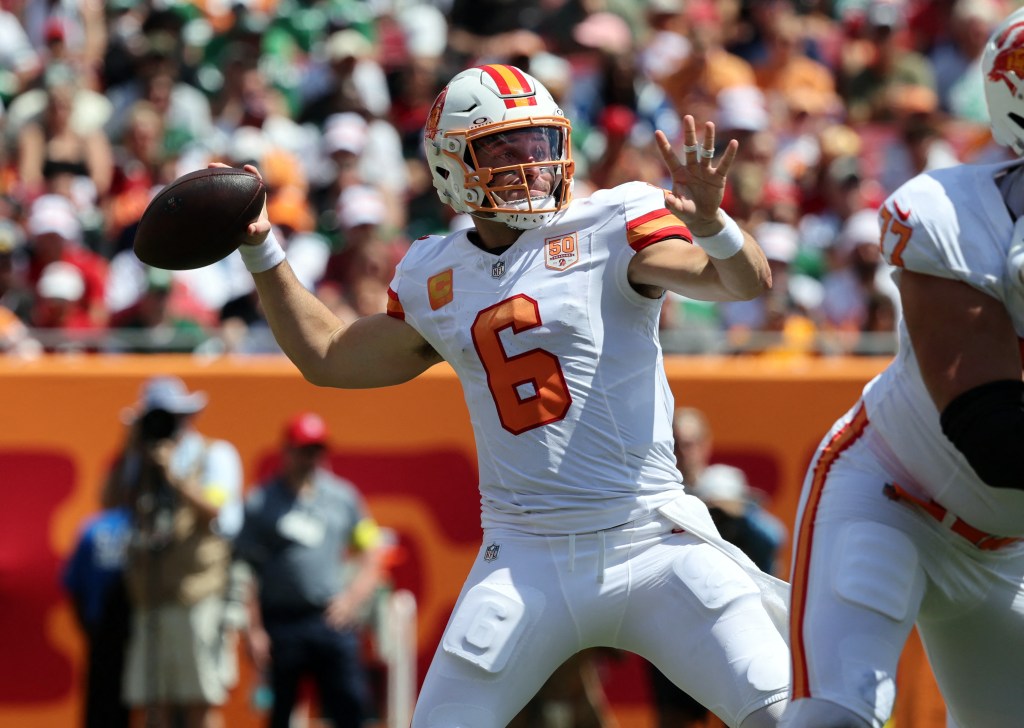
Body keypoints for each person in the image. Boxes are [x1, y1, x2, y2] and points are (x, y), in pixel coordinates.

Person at [228, 64, 790, 727]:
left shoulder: (613, 220)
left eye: (539, 143)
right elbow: (329, 357)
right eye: (504, 147)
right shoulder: (435, 273)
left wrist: (717, 225)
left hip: (652, 538)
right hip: (527, 556)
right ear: (449, 164)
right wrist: (263, 250)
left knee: (792, 716)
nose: (531, 163)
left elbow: (739, 284)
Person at [781, 10, 1024, 727]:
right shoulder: (954, 211)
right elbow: (996, 434)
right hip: (895, 499)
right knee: (835, 718)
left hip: (1008, 549)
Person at [107, 375, 244, 728]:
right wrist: (130, 448)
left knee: (199, 701)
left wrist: (174, 476)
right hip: (149, 597)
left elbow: (218, 513)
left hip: (196, 597)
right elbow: (108, 503)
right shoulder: (138, 461)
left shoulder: (216, 454)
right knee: (153, 704)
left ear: (188, 416)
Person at [233, 411, 385, 728]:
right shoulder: (262, 501)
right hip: (282, 622)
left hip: (330, 618)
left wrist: (352, 599)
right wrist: (254, 628)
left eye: (317, 450)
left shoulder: (342, 497)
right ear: (286, 451)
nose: (310, 458)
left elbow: (373, 550)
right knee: (281, 712)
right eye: (303, 449)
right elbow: (245, 568)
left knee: (349, 707)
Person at [649, 408, 788, 728]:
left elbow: (772, 538)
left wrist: (735, 512)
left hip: (727, 612)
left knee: (743, 712)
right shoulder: (654, 494)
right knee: (674, 718)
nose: (683, 452)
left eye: (690, 443)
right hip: (674, 619)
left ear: (706, 444)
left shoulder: (725, 485)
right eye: (675, 443)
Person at [62, 502, 133, 728]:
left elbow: (73, 585)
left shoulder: (93, 528)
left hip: (100, 633)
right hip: (140, 638)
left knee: (100, 707)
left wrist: (88, 626)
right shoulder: (147, 527)